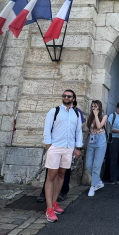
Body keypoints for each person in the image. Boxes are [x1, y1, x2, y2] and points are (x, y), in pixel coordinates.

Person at [42, 89, 83, 223]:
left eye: (69, 96)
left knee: (61, 174)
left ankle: (54, 202)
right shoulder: (54, 111)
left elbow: (78, 131)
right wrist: (49, 146)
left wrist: (78, 148)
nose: (66, 97)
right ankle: (49, 208)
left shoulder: (76, 114)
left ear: (73, 98)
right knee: (51, 176)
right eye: (64, 95)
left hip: (68, 148)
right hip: (55, 147)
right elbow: (47, 129)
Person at [85, 100, 108, 197]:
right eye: (92, 106)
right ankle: (98, 181)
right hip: (91, 140)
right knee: (88, 164)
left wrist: (96, 115)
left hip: (100, 140)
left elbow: (99, 126)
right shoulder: (90, 117)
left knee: (96, 165)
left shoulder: (104, 116)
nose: (93, 108)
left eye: (95, 106)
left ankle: (93, 186)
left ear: (99, 107)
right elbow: (89, 129)